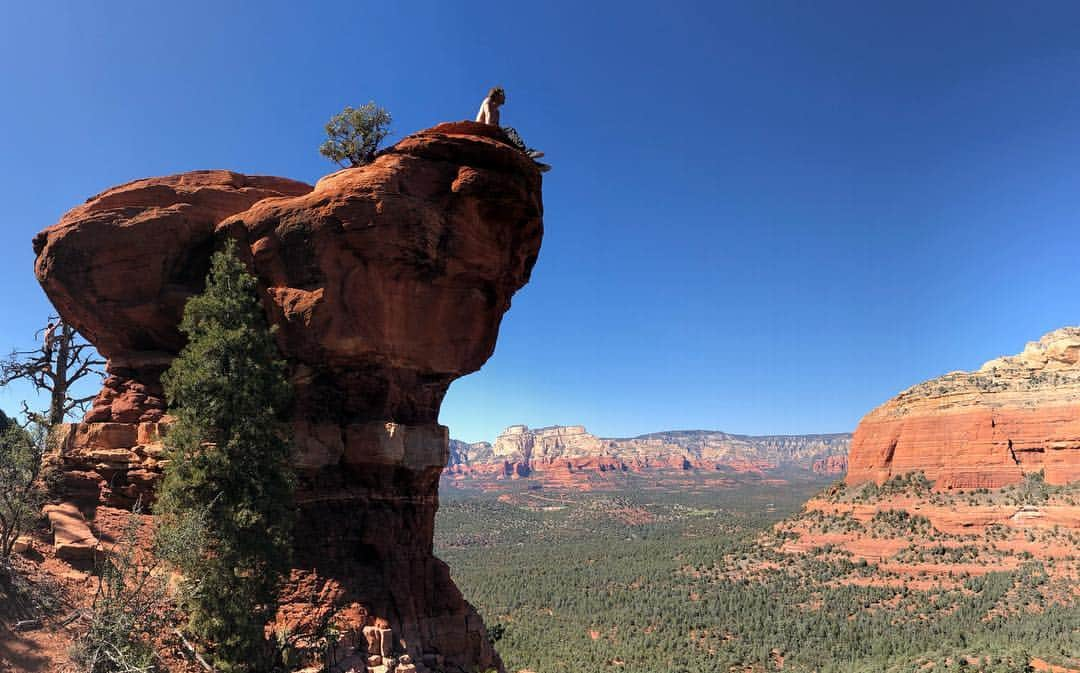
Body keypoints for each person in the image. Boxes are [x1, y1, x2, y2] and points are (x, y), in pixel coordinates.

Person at [476, 87, 550, 171]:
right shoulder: (488, 101)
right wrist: (490, 136)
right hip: (484, 130)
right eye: (503, 95)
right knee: (509, 130)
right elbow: (488, 116)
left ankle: (531, 162)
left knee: (510, 140)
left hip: (493, 132)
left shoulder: (497, 112)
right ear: (496, 94)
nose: (505, 98)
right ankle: (526, 152)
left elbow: (496, 126)